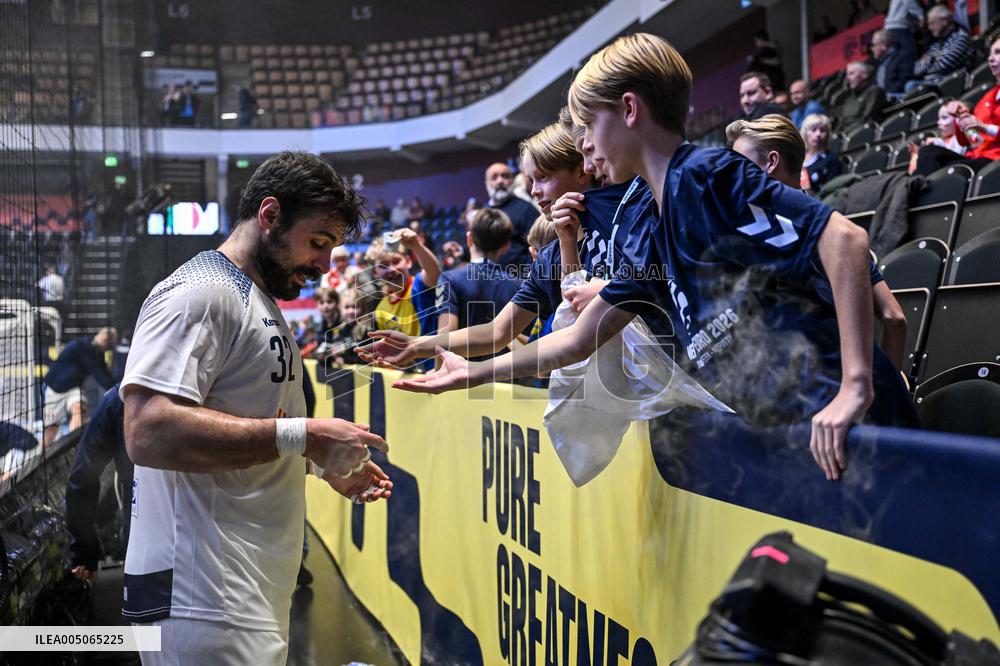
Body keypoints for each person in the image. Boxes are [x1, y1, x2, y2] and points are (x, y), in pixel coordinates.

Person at [386, 33, 917, 483]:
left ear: (630, 110)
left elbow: (844, 241)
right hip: (794, 437)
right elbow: (575, 341)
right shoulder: (646, 226)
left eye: (588, 126)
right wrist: (471, 373)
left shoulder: (706, 176)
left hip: (850, 420)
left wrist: (855, 386)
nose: (586, 148)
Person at [119, 152, 392, 664]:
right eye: (317, 243)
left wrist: (315, 460)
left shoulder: (253, 299)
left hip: (239, 593)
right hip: (200, 599)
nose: (324, 265)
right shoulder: (201, 293)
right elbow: (147, 429)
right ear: (270, 216)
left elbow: (242, 417)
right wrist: (304, 437)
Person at [726, 114, 908, 372]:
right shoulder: (835, 228)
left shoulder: (753, 237)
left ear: (771, 162)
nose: (734, 176)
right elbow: (894, 318)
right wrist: (892, 388)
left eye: (741, 166)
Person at [436, 208, 522, 362]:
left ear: (469, 239)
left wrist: (436, 375)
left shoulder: (447, 279)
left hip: (462, 379)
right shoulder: (520, 285)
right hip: (506, 381)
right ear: (506, 246)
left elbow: (444, 340)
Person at [66, 384, 131, 583]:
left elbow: (82, 478)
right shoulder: (217, 391)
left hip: (145, 542)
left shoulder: (119, 397)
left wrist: (84, 551)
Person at [370, 227, 442, 369]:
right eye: (383, 266)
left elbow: (434, 273)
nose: (392, 269)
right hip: (407, 373)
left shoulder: (418, 286)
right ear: (374, 272)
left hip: (433, 368)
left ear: (408, 261)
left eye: (396, 261)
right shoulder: (380, 310)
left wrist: (416, 245)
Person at [43, 327, 117, 447]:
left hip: (73, 388)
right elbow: (101, 375)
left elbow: (104, 374)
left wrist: (118, 388)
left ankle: (74, 447)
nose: (107, 349)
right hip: (55, 389)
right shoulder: (84, 347)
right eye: (108, 346)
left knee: (79, 409)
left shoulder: (95, 351)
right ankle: (40, 457)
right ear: (105, 339)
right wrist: (116, 389)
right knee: (52, 430)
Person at [484, 161, 539, 271]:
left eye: (505, 176)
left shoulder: (526, 210)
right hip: (491, 278)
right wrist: (461, 251)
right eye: (494, 177)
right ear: (487, 183)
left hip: (520, 278)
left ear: (512, 181)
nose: (500, 181)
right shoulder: (484, 212)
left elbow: (538, 247)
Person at [905, 5, 970, 92]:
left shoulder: (960, 38)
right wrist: (934, 59)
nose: (930, 28)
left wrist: (928, 60)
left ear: (945, 21)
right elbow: (916, 69)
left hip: (945, 86)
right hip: (929, 85)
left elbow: (944, 64)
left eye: (932, 23)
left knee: (911, 85)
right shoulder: (936, 44)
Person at [799, 113, 843, 193]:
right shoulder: (796, 157)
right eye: (813, 130)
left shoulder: (832, 160)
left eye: (822, 130)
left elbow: (831, 190)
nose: (818, 134)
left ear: (827, 135)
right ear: (805, 133)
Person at [840, 61, 887, 132]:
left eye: (851, 73)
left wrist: (844, 134)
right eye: (847, 74)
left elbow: (867, 119)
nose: (848, 78)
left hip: (863, 133)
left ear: (865, 74)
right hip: (847, 135)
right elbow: (842, 122)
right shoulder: (849, 97)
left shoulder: (874, 91)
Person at [871, 30, 913, 100]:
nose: (872, 49)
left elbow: (904, 80)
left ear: (883, 45)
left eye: (874, 45)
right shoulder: (879, 63)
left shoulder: (902, 56)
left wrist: (886, 94)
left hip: (898, 97)